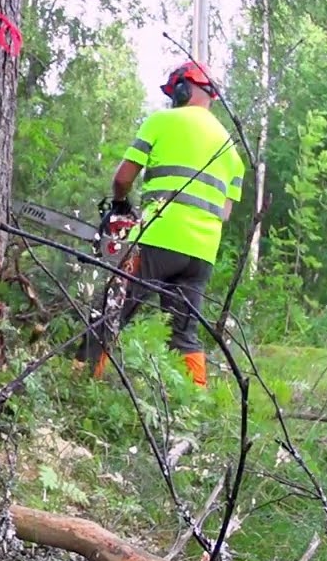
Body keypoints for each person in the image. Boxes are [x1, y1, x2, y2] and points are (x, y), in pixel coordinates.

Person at [73, 60, 246, 388]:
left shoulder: (162, 121)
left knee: (111, 311)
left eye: (175, 90)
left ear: (185, 86)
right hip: (202, 253)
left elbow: (123, 179)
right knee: (184, 334)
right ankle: (197, 404)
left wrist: (122, 206)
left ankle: (79, 384)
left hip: (159, 237)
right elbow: (224, 213)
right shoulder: (231, 149)